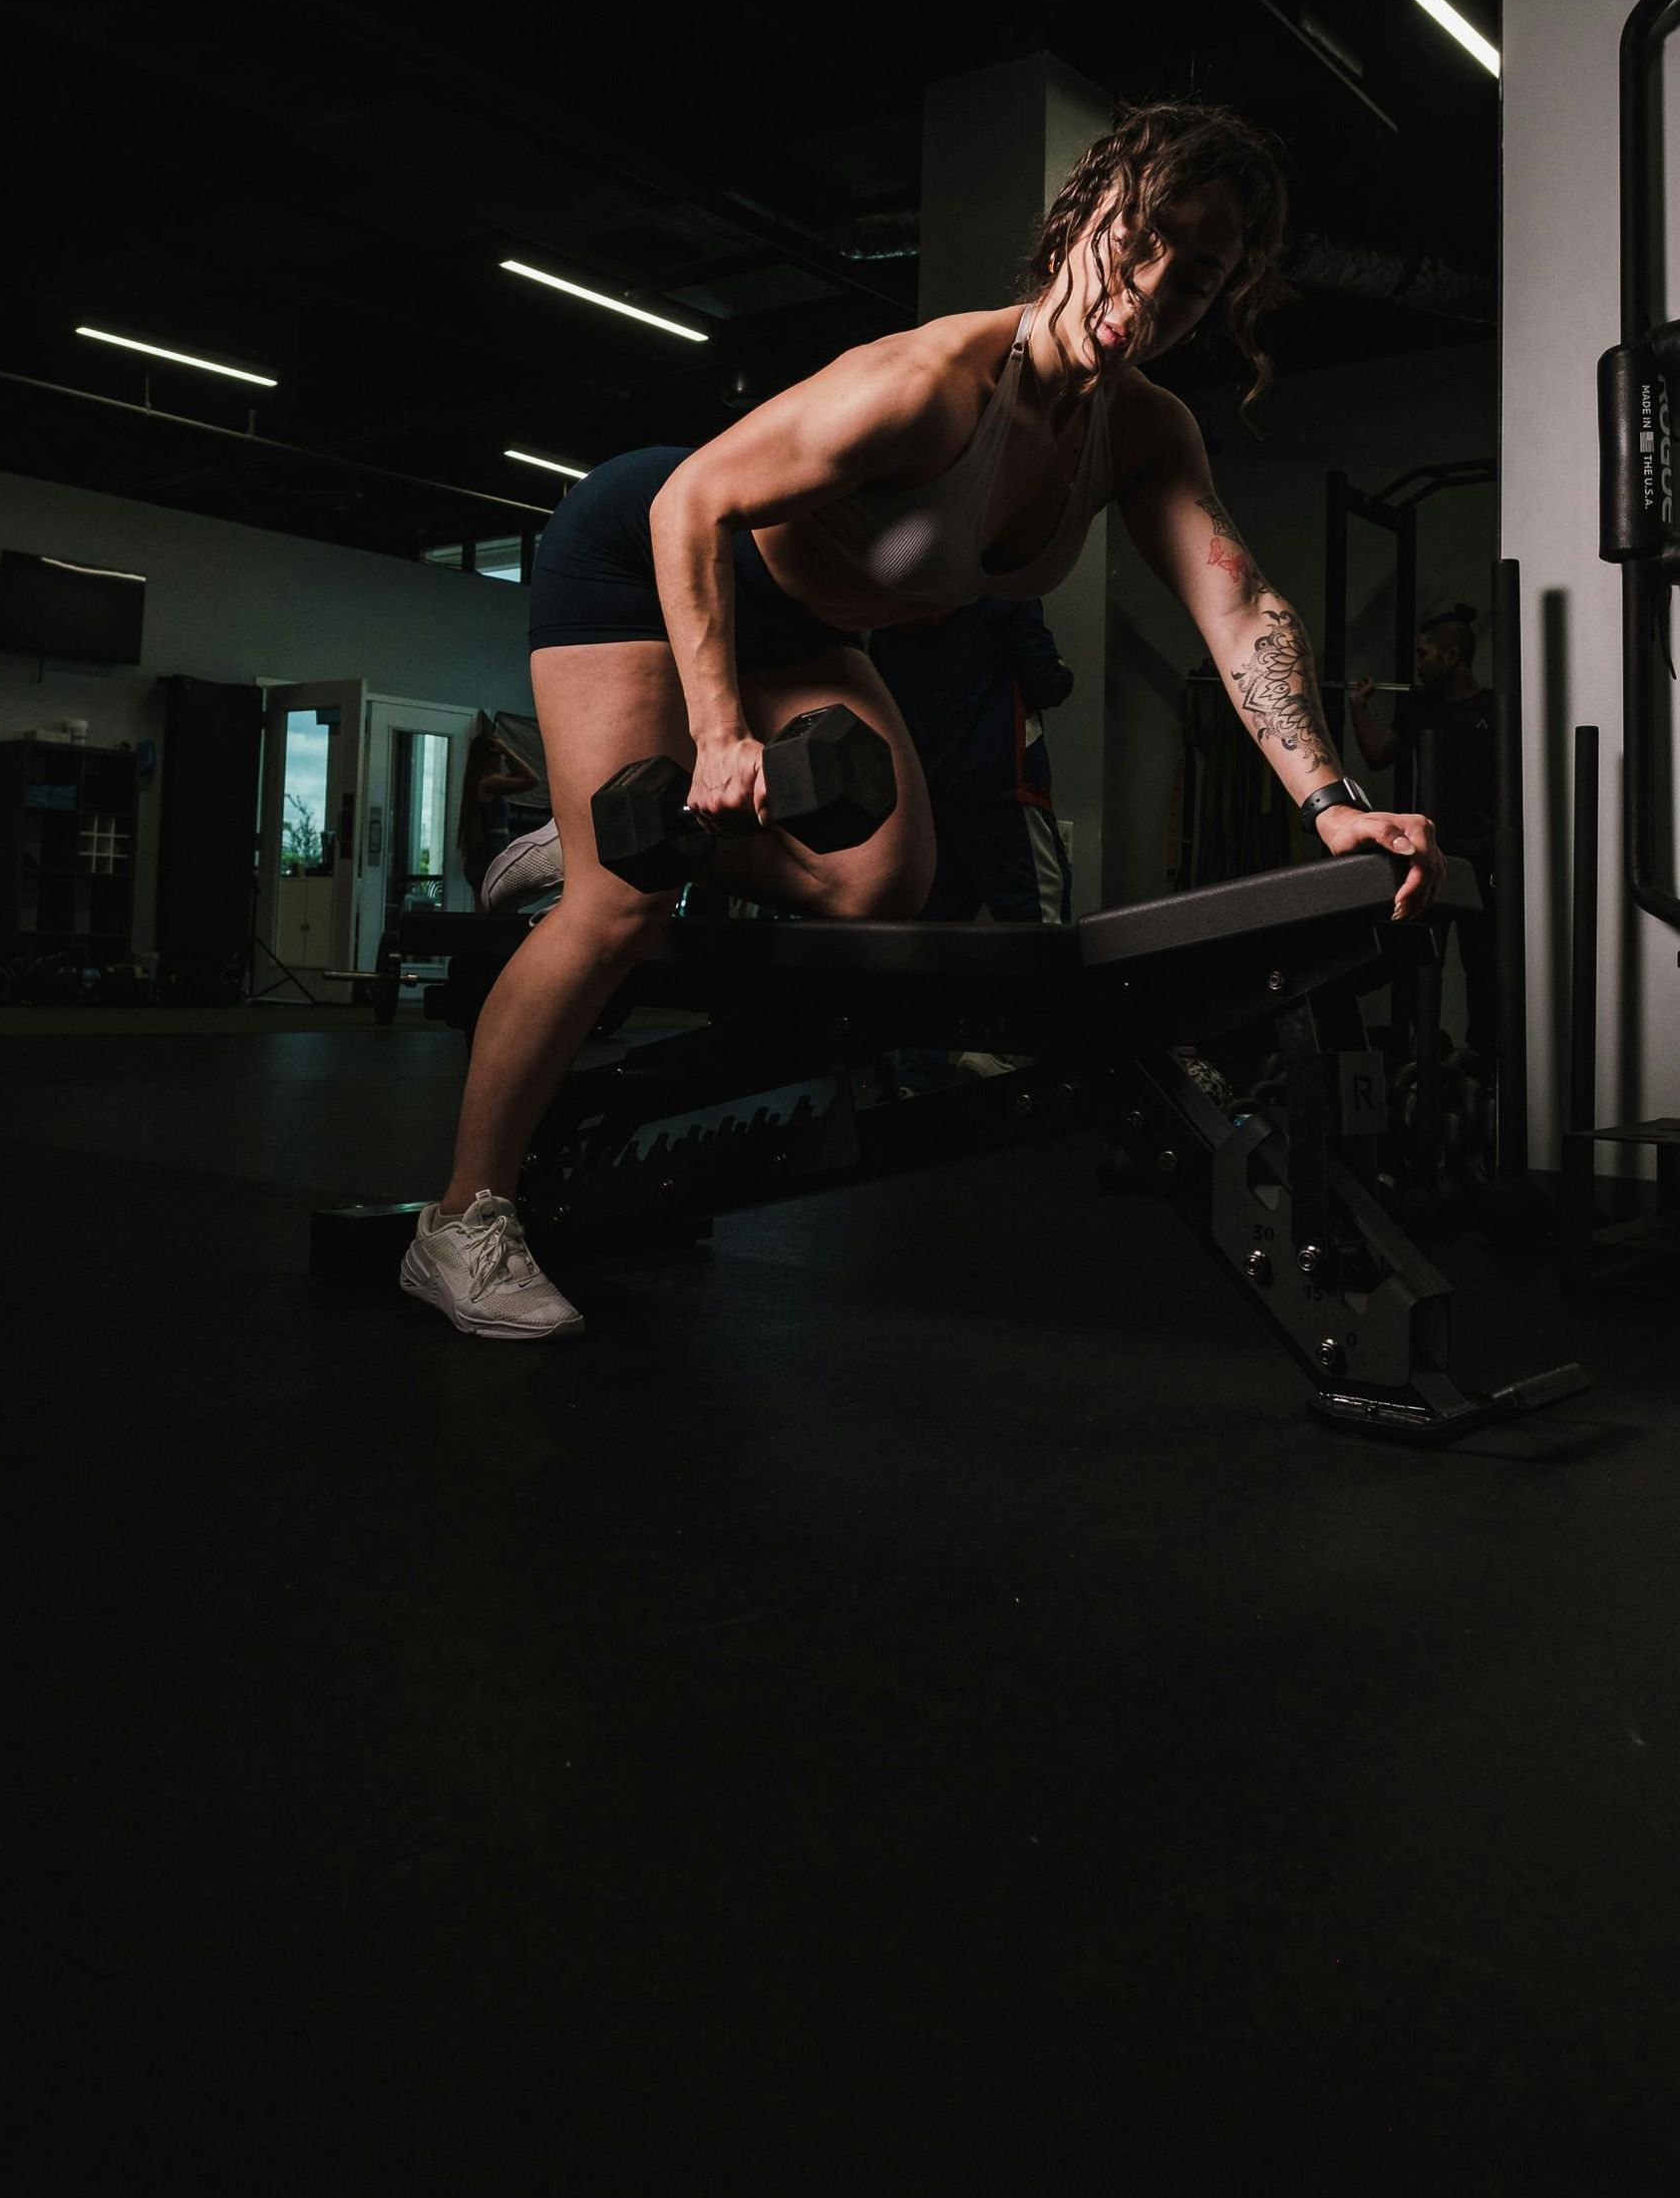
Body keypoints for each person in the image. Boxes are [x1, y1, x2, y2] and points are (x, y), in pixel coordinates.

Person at [399, 98, 1447, 1341]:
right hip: (643, 550)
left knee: (882, 877)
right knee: (617, 902)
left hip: (799, 619)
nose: (1157, 284)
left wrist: (1333, 805)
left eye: (1201, 273)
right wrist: (723, 733)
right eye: (1144, 238)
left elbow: (1243, 612)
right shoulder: (929, 385)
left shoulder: (1141, 431)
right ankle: (461, 1221)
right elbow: (692, 504)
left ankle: (579, 829)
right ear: (1084, 215)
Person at [1347, 604, 1498, 1059]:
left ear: (1452, 657)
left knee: (1484, 967)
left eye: (1424, 653)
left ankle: (1482, 1063)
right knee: (1421, 963)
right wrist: (1358, 708)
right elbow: (1377, 754)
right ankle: (1421, 1062)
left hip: (1485, 859)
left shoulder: (1495, 709)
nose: (1418, 662)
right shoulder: (1419, 708)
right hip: (1429, 856)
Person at [869, 597, 1076, 925]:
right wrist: (1063, 672)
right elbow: (1047, 683)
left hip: (928, 792)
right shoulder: (1007, 590)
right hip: (1001, 784)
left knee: (936, 930)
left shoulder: (893, 602)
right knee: (1037, 916)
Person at [457, 723, 544, 905]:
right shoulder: (489, 783)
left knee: (488, 915)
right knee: (501, 915)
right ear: (488, 758)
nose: (501, 760)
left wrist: (503, 751)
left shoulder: (481, 783)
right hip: (490, 855)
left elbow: (519, 776)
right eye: (497, 755)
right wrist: (506, 750)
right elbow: (532, 779)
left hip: (483, 855)